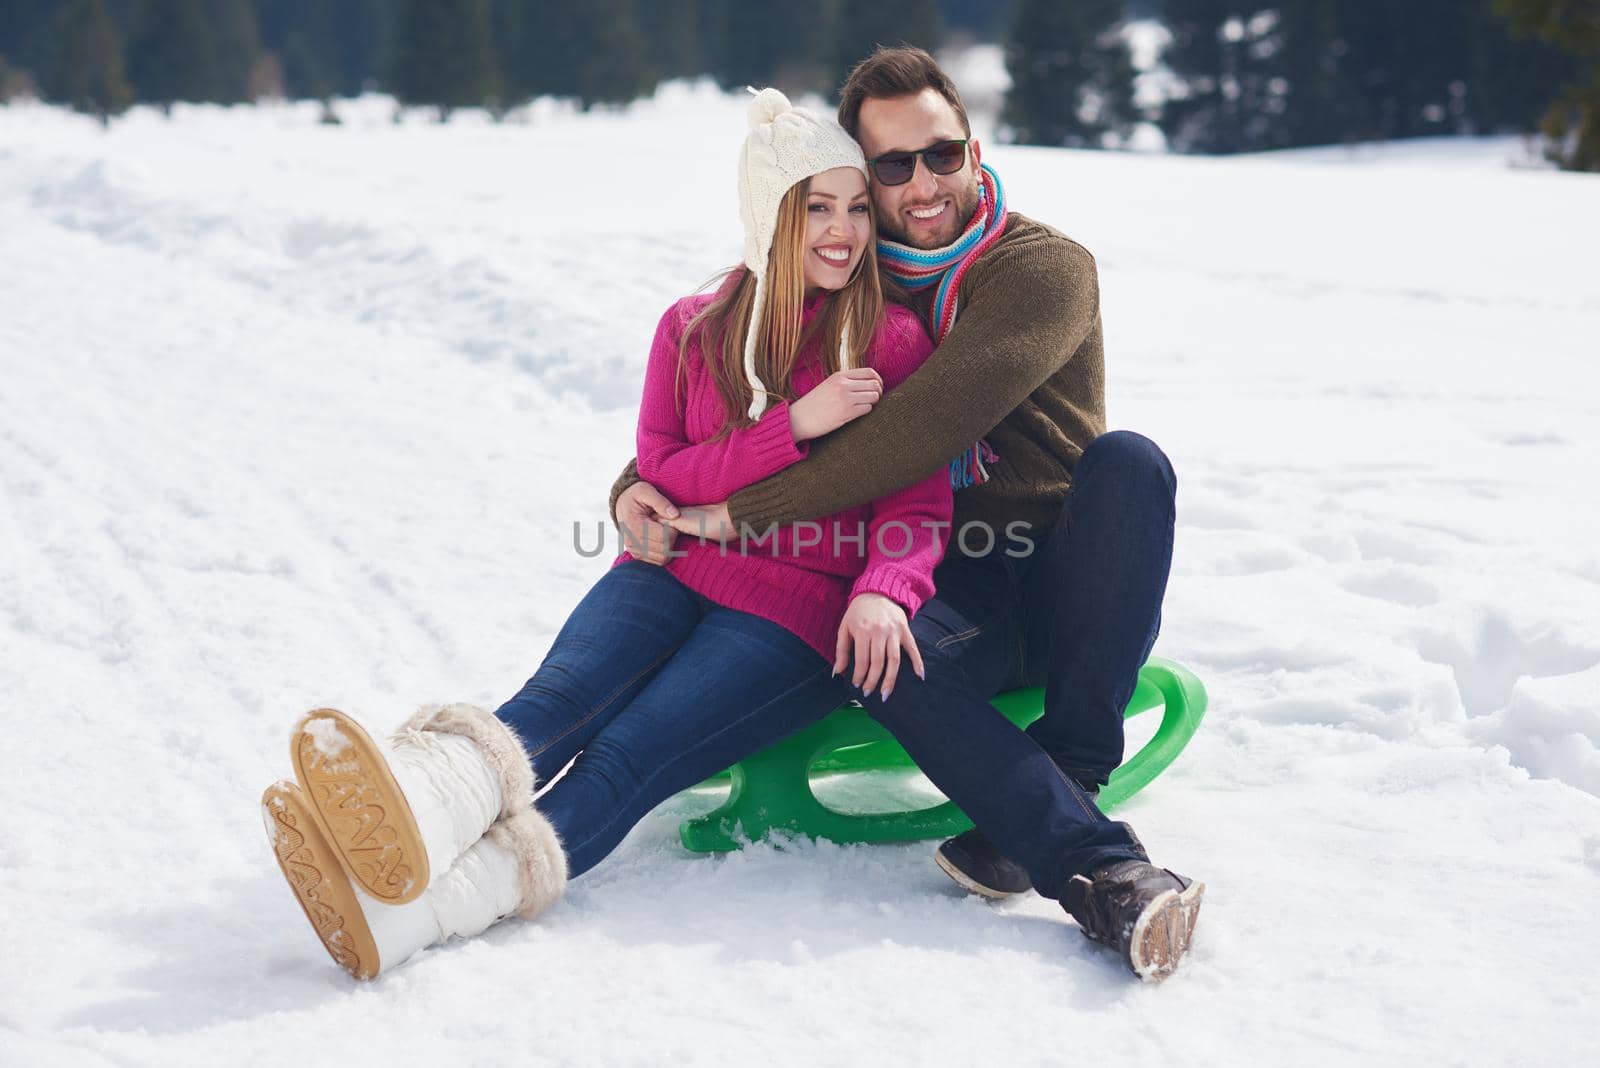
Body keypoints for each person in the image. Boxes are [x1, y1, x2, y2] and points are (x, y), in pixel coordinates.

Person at [260, 88, 952, 980]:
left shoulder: (888, 342)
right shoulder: (694, 329)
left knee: (629, 756)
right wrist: (797, 425)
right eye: (816, 206)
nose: (844, 231)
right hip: (669, 566)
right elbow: (660, 472)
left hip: (791, 611)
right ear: (767, 215)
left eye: (857, 207)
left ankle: (419, 913)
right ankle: (410, 815)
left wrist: (882, 594)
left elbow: (917, 506)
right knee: (554, 705)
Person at [609, 47, 1204, 982]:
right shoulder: (842, 278)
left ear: (974, 147)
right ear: (864, 178)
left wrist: (732, 512)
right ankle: (1102, 868)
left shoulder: (1042, 270)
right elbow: (737, 391)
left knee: (1129, 463)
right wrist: (644, 486)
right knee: (879, 650)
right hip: (946, 571)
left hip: (1066, 568)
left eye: (941, 153)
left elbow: (917, 432)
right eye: (891, 166)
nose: (922, 184)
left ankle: (1074, 773)